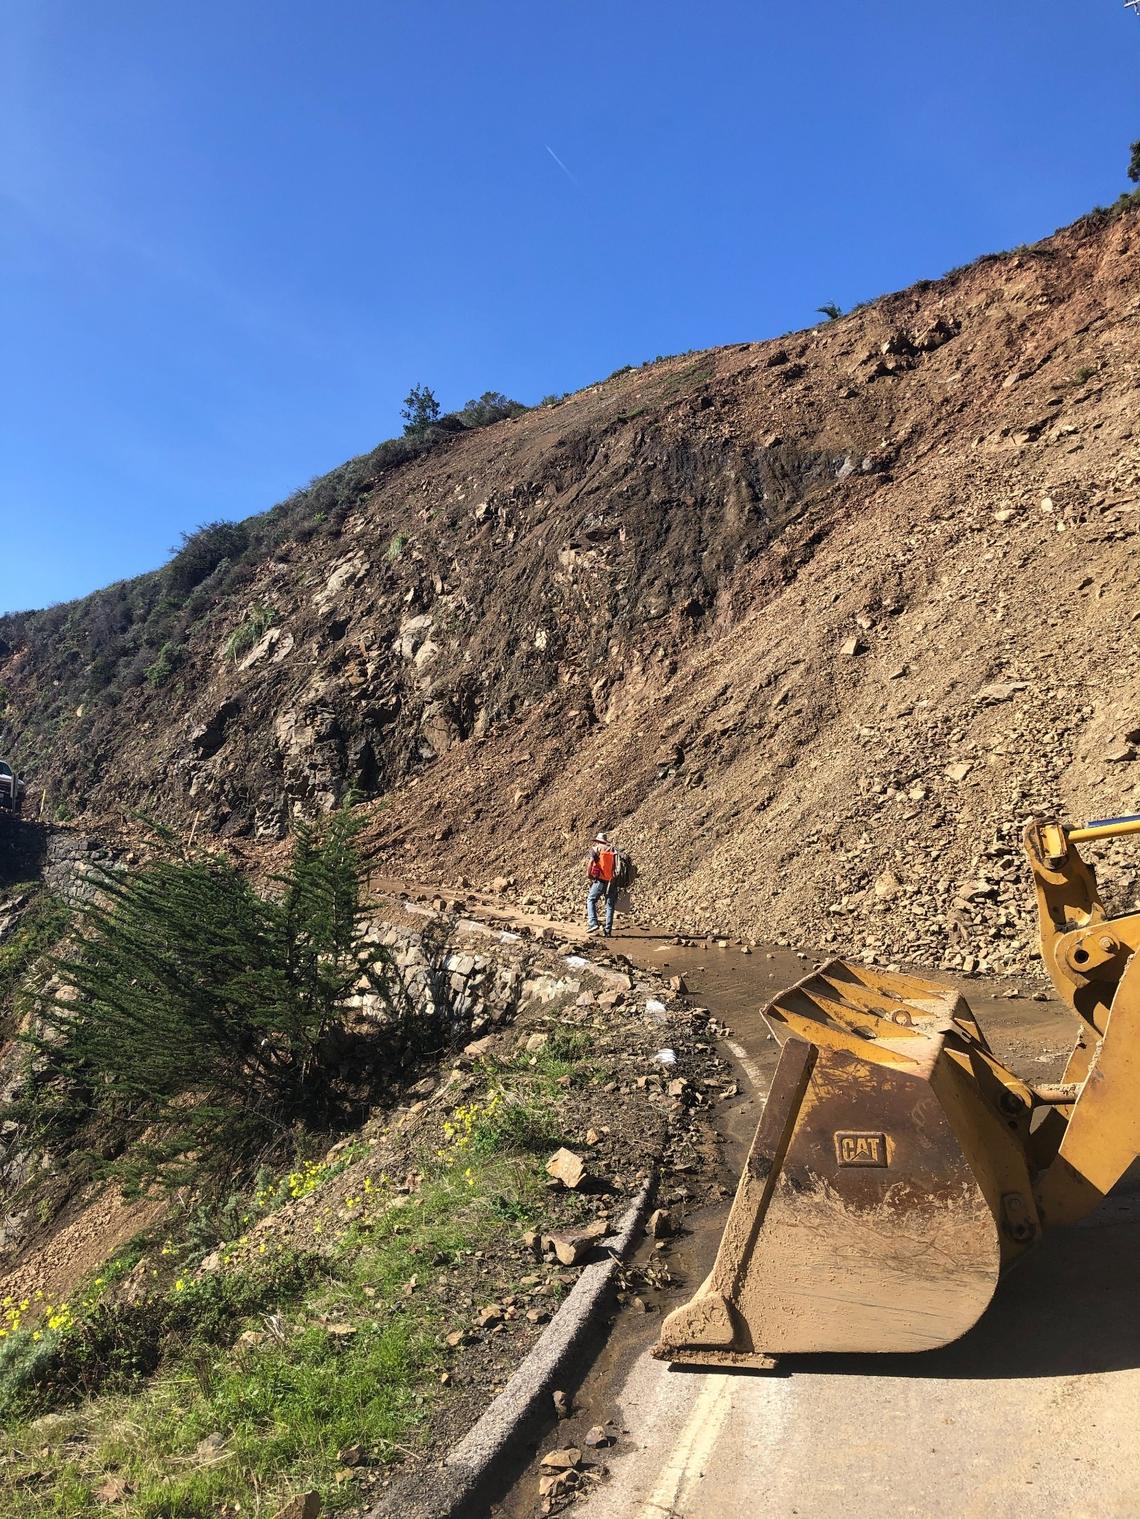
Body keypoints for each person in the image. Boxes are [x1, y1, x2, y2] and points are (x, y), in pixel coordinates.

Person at [586, 831, 620, 937]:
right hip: (612, 881)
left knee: (591, 900)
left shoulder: (596, 849)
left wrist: (589, 875)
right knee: (609, 906)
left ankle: (593, 923)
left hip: (600, 880)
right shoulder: (614, 850)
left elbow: (591, 863)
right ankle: (608, 931)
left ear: (597, 841)